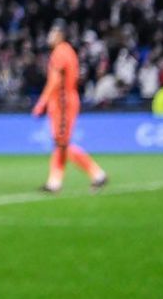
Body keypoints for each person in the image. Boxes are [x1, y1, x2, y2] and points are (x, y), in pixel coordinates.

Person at [33, 23, 108, 194]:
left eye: (52, 32)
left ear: (60, 35)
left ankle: (97, 173)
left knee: (62, 144)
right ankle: (54, 182)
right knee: (60, 144)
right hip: (62, 101)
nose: (49, 35)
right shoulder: (65, 51)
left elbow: (55, 81)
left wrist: (41, 102)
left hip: (63, 102)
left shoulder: (60, 53)